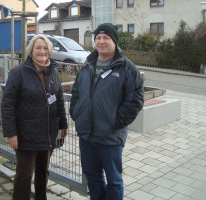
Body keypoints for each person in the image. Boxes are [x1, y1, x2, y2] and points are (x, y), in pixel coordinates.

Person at [70, 23, 144, 200]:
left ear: (114, 41)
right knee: (92, 177)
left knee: (114, 181)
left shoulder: (126, 68)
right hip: (86, 135)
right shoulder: (88, 64)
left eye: (106, 38)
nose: (101, 41)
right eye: (98, 38)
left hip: (110, 137)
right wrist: (76, 114)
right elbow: (76, 92)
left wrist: (115, 122)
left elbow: (135, 100)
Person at [1, 34, 68, 200]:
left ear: (50, 51)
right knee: (24, 175)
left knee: (43, 172)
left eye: (45, 48)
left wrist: (63, 124)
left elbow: (59, 99)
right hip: (26, 135)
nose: (42, 51)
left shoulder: (53, 72)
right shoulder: (19, 73)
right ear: (31, 51)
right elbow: (7, 104)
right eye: (38, 47)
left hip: (47, 133)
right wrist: (11, 133)